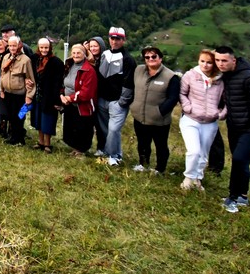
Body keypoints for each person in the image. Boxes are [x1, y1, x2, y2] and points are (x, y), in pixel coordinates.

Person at [214, 46, 250, 213]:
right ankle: (243, 196)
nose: (220, 64)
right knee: (241, 161)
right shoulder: (226, 77)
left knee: (239, 159)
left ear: (234, 60)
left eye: (224, 60)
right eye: (217, 60)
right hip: (234, 127)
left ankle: (232, 197)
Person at [127, 46, 181, 175]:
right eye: (147, 57)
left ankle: (160, 169)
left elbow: (173, 98)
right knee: (142, 143)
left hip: (159, 120)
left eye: (154, 56)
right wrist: (133, 104)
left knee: (160, 145)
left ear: (160, 58)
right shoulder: (138, 70)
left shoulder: (170, 76)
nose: (150, 59)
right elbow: (132, 87)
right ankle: (143, 164)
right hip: (139, 116)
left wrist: (159, 112)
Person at [178, 49, 225, 191]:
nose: (205, 65)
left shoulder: (221, 80)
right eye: (202, 61)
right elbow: (182, 93)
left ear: (214, 64)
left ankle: (198, 179)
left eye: (209, 62)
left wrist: (221, 114)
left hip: (210, 122)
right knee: (194, 151)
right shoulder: (190, 75)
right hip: (191, 119)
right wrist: (187, 107)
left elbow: (227, 100)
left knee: (204, 154)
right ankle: (188, 178)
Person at [95, 27, 135, 166]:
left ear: (123, 40)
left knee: (113, 130)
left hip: (117, 101)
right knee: (102, 128)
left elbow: (129, 82)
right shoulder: (104, 54)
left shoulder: (128, 59)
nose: (114, 41)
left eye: (118, 38)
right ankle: (103, 149)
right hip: (102, 99)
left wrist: (122, 102)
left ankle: (115, 155)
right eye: (112, 38)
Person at [60, 43, 97, 155]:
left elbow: (86, 92)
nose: (76, 55)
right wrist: (62, 95)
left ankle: (81, 150)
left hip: (82, 106)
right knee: (71, 127)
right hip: (69, 104)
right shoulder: (69, 66)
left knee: (82, 128)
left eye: (79, 53)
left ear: (84, 55)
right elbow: (63, 83)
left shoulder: (89, 70)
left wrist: (70, 98)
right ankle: (75, 148)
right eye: (74, 53)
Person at [0, 36, 35, 145]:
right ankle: (13, 137)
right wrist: (1, 89)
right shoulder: (6, 58)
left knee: (20, 116)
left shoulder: (25, 60)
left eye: (14, 45)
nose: (12, 48)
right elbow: (2, 75)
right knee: (10, 116)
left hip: (20, 94)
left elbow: (30, 79)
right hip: (8, 93)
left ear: (19, 45)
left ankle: (20, 138)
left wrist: (29, 96)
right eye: (10, 46)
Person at [30, 37, 63, 153]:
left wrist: (56, 100)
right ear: (38, 47)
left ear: (50, 48)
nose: (44, 50)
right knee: (38, 119)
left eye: (46, 47)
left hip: (49, 96)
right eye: (42, 47)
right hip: (37, 94)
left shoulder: (56, 62)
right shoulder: (34, 59)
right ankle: (40, 141)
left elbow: (58, 82)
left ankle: (48, 144)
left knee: (47, 120)